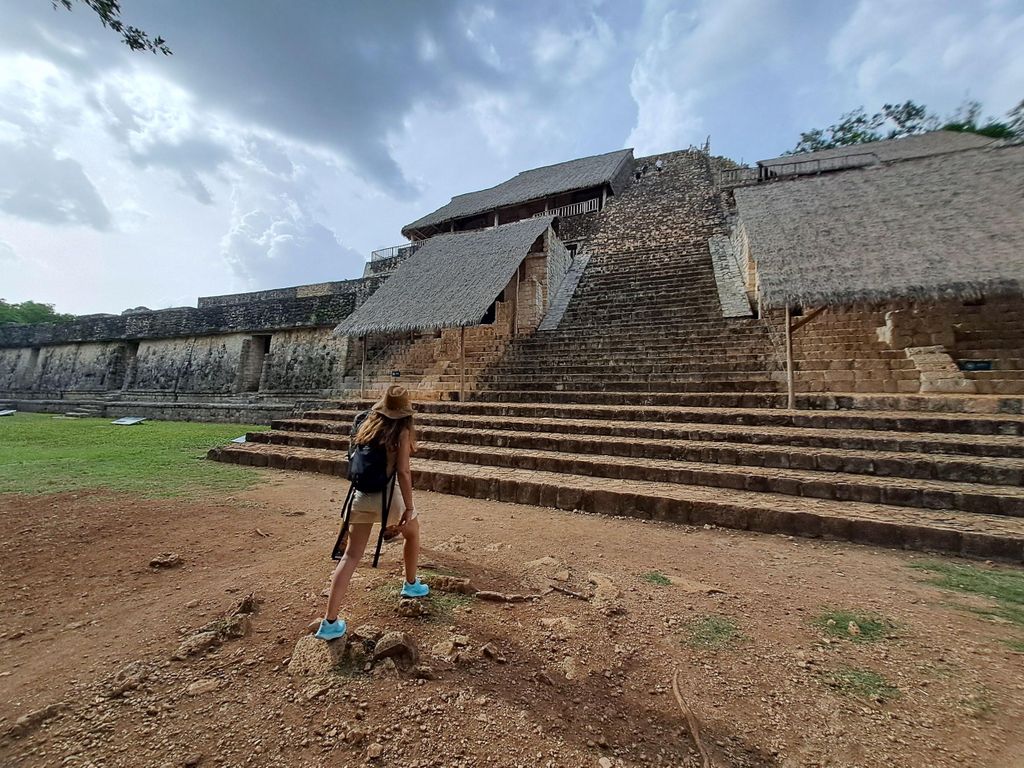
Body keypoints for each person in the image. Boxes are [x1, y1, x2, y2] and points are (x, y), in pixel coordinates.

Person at [315, 385, 428, 641]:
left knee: (351, 557)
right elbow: (403, 472)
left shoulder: (366, 425)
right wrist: (409, 507)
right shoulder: (401, 431)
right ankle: (411, 585)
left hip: (360, 496)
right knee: (413, 533)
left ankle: (329, 622)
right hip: (389, 497)